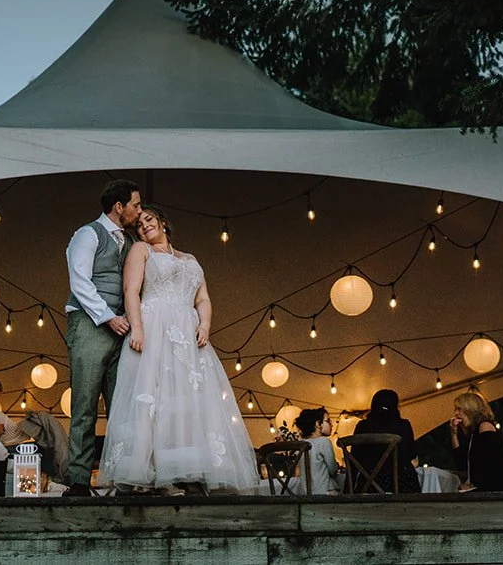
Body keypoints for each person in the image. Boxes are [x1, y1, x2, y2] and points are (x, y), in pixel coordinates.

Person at [96, 208, 260, 493]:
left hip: (188, 332)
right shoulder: (141, 250)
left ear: (162, 222)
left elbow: (204, 298)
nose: (144, 225)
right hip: (155, 326)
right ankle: (151, 475)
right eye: (139, 224)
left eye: (149, 219)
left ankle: (189, 470)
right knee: (153, 396)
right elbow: (130, 290)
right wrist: (137, 327)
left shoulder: (190, 259)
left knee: (189, 402)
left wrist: (205, 326)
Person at [62, 178, 143, 495]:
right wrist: (108, 317)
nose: (139, 211)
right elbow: (80, 280)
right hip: (90, 325)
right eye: (135, 205)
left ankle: (124, 478)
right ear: (119, 206)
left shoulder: (130, 241)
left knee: (122, 407)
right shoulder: (87, 234)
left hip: (120, 329)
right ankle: (79, 481)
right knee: (84, 405)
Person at [353, 388, 418, 493]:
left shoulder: (362, 426)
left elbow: (354, 460)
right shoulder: (403, 425)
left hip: (368, 485)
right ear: (396, 406)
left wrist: (348, 490)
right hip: (400, 485)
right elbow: (411, 454)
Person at [449, 390, 503, 491]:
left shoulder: (485, 427)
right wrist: (454, 435)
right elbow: (461, 465)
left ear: (470, 409)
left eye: (459, 409)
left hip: (492, 492)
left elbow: (490, 465)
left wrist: (473, 485)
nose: (456, 413)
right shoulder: (474, 433)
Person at [294, 407, 342, 495]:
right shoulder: (324, 442)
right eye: (328, 421)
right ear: (318, 424)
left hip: (304, 493)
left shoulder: (300, 444)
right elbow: (333, 470)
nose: (332, 425)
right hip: (324, 492)